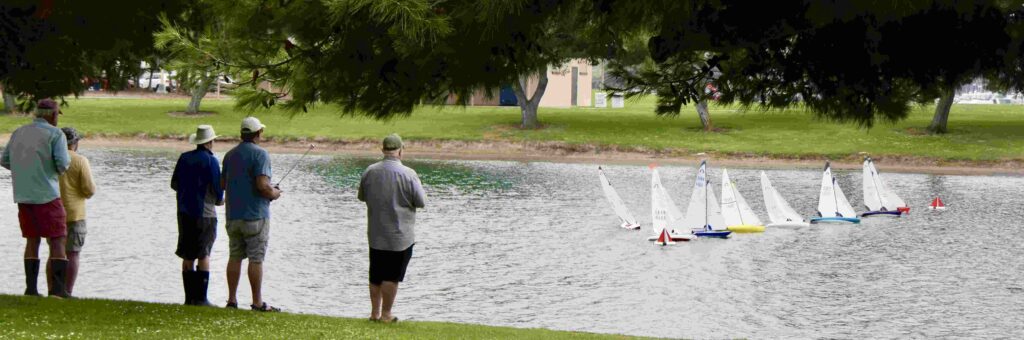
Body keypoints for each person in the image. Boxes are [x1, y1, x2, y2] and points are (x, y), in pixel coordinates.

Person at [1, 99, 71, 298]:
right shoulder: (56, 134)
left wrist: (26, 169)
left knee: (32, 240)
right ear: (52, 115)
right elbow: (62, 164)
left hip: (24, 196)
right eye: (57, 114)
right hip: (47, 194)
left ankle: (31, 289)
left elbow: (5, 160)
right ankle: (57, 291)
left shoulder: (19, 132)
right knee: (58, 239)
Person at [357, 133, 426, 323]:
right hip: (399, 236)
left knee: (376, 275)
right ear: (401, 151)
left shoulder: (370, 171)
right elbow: (421, 201)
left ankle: (374, 313)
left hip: (376, 233)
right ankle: (386, 314)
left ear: (383, 150)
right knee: (391, 276)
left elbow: (361, 196)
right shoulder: (409, 174)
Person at [222, 117, 281, 312]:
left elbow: (223, 184)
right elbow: (263, 186)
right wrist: (275, 193)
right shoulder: (261, 154)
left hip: (233, 216)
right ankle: (257, 302)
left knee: (235, 256)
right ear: (257, 133)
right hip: (256, 216)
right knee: (256, 258)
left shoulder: (229, 155)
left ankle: (231, 300)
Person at [170, 125, 223, 306]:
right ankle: (201, 298)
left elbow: (174, 184)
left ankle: (188, 298)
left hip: (184, 212)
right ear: (209, 142)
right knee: (204, 253)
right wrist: (219, 200)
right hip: (205, 214)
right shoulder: (211, 161)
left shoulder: (184, 158)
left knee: (187, 254)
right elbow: (218, 189)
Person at [57, 127, 95, 297]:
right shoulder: (80, 161)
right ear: (75, 143)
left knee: (55, 253)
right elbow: (89, 189)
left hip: (55, 211)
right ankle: (67, 291)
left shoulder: (51, 159)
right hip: (75, 213)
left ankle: (54, 289)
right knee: (73, 253)